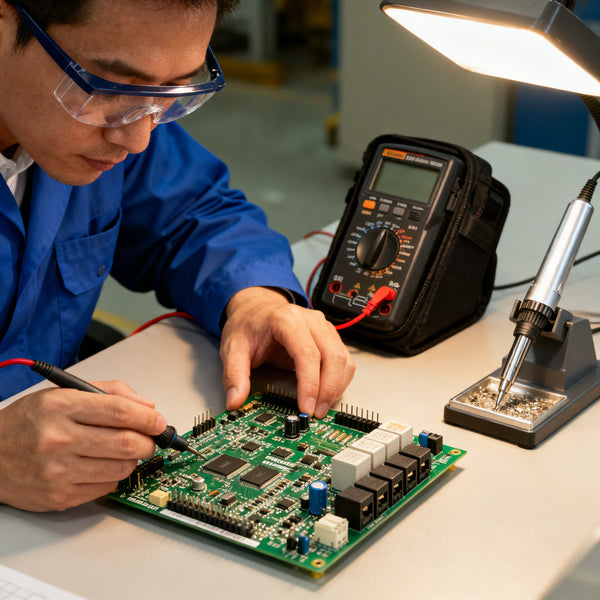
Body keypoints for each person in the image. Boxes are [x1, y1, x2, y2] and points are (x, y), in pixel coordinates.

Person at [0, 0, 355, 512]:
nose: (138, 138)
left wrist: (254, 300)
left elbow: (195, 213)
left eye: (171, 93)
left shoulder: (111, 125)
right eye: (111, 86)